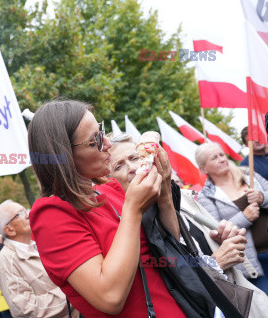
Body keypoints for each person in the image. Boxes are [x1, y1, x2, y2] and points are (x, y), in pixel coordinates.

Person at [27, 99, 197, 317]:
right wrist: (133, 210)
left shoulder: (109, 189)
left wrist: (163, 192)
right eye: (94, 141)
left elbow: (166, 245)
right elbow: (110, 297)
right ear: (64, 156)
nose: (107, 143)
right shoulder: (51, 213)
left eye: (102, 132)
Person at [108, 134, 268, 317]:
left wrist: (223, 235)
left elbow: (209, 238)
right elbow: (166, 273)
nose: (132, 168)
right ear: (109, 180)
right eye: (119, 166)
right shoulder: (125, 226)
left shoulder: (183, 197)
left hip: (238, 299)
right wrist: (214, 264)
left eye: (135, 158)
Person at [196, 142, 268, 292]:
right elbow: (217, 232)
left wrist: (262, 198)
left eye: (222, 155)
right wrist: (245, 217)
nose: (221, 159)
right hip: (254, 264)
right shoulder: (206, 197)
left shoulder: (249, 175)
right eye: (214, 158)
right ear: (203, 169)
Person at [0, 200, 76, 318]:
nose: (28, 214)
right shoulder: (7, 259)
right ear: (9, 230)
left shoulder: (40, 244)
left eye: (26, 209)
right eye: (20, 213)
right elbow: (24, 308)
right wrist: (72, 294)